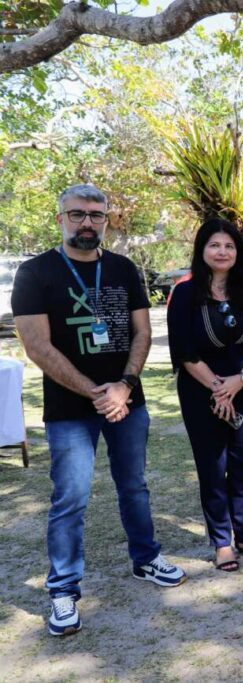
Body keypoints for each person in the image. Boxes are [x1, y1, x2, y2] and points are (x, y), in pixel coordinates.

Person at [12, 184, 185, 637]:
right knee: (70, 498)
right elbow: (36, 345)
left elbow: (142, 332)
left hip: (128, 400)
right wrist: (97, 392)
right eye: (77, 214)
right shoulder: (35, 273)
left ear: (107, 220)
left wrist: (125, 386)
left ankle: (146, 559)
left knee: (135, 485)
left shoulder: (124, 269)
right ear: (60, 218)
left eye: (96, 215)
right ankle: (64, 590)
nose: (87, 222)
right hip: (71, 407)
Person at [168, 218, 243, 571]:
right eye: (215, 245)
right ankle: (221, 542)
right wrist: (218, 387)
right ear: (202, 250)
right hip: (202, 391)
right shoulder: (185, 293)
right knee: (212, 467)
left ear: (238, 252)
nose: (222, 251)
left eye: (229, 246)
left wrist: (238, 381)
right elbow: (184, 350)